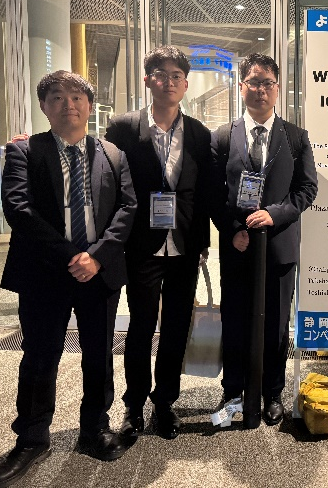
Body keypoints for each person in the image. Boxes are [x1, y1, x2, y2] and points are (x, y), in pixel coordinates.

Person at [0, 71, 136, 488]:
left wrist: (97, 257)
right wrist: (73, 256)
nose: (68, 104)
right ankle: (32, 438)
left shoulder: (113, 154)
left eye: (76, 97)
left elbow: (127, 208)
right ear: (44, 106)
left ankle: (95, 428)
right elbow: (19, 210)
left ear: (89, 106)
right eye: (56, 97)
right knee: (40, 355)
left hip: (99, 273)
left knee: (99, 354)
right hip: (44, 272)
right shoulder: (24, 150)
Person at [105, 46, 212, 441]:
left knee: (177, 326)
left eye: (176, 76)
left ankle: (165, 402)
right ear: (148, 79)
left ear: (185, 84)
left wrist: (203, 242)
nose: (169, 82)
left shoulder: (199, 133)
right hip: (141, 244)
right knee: (141, 325)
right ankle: (134, 404)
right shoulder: (123, 127)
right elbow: (105, 176)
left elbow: (203, 193)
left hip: (184, 244)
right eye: (161, 74)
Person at [210, 53, 317, 427]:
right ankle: (233, 392)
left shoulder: (295, 137)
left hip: (279, 246)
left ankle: (273, 393)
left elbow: (306, 189)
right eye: (253, 82)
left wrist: (275, 214)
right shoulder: (223, 136)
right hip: (238, 246)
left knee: (276, 325)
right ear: (241, 87)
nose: (260, 90)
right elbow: (212, 193)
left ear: (277, 88)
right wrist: (231, 229)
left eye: (267, 83)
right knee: (234, 321)